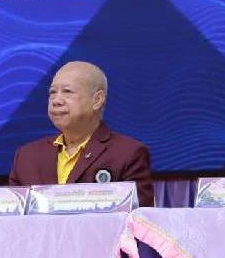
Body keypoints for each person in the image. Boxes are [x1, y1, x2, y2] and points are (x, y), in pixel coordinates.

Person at [9, 61, 154, 207]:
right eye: (52, 92)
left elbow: (139, 222)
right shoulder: (26, 157)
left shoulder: (127, 154)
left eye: (67, 91)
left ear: (97, 100)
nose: (56, 101)